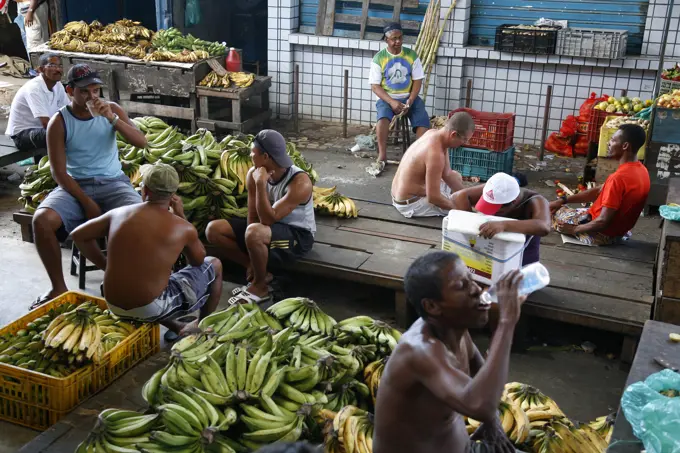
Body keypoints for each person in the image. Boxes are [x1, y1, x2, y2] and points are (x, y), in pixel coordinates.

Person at [373, 251, 525, 453]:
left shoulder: (456, 329)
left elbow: (482, 375)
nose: (476, 289)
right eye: (462, 286)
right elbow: (481, 405)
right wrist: (506, 323)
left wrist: (492, 421)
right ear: (432, 306)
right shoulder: (420, 350)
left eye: (471, 280)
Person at [31, 64, 148, 309]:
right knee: (41, 221)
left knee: (140, 219)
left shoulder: (112, 110)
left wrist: (112, 118)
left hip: (113, 182)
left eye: (96, 91)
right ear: (69, 90)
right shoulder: (59, 122)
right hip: (74, 186)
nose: (92, 97)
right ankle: (58, 287)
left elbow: (141, 142)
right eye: (85, 92)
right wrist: (87, 201)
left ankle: (121, 276)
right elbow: (59, 173)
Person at [71, 164, 223, 335]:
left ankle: (176, 326)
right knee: (215, 264)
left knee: (153, 282)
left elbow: (78, 235)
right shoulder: (183, 227)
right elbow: (198, 261)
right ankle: (200, 325)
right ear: (173, 195)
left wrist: (105, 266)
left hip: (111, 300)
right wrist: (181, 215)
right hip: (149, 307)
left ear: (145, 190)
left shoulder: (118, 213)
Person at [206, 129, 315, 305]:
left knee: (255, 232)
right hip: (267, 230)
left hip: (298, 237)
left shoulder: (299, 182)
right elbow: (253, 215)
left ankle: (260, 286)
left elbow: (267, 220)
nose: (250, 155)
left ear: (265, 157)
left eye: (253, 152)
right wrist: (250, 242)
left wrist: (260, 184)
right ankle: (256, 270)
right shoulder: (253, 173)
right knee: (213, 230)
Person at [550, 124, 650, 246]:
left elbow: (602, 221)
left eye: (613, 140)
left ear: (625, 146)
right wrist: (563, 199)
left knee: (550, 211)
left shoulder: (618, 178)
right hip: (619, 231)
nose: (608, 143)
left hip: (600, 234)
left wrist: (573, 230)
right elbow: (598, 191)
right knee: (560, 207)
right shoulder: (642, 170)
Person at [452, 172, 551, 266]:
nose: (491, 213)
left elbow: (544, 227)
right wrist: (469, 227)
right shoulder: (493, 189)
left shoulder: (535, 200)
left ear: (513, 201)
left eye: (496, 209)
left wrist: (504, 225)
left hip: (522, 250)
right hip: (491, 245)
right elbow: (458, 196)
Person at [368, 22, 430, 170]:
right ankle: (382, 155)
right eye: (394, 39)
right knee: (382, 118)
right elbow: (375, 86)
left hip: (408, 97)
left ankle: (417, 156)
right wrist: (392, 102)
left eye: (400, 38)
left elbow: (417, 80)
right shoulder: (379, 58)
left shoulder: (411, 55)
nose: (398, 41)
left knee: (423, 120)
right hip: (387, 98)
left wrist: (410, 100)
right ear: (386, 40)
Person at [391, 112, 474, 218]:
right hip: (410, 204)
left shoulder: (433, 133)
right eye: (465, 140)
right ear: (453, 134)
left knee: (456, 176)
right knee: (460, 210)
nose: (465, 143)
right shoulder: (435, 154)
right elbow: (434, 198)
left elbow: (447, 174)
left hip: (401, 194)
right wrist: (463, 210)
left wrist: (468, 198)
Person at [5, 53, 69, 152]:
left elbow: (67, 112)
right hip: (22, 135)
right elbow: (46, 123)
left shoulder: (58, 85)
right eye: (52, 66)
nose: (58, 69)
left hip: (42, 130)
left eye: (60, 66)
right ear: (41, 69)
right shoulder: (34, 88)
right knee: (61, 134)